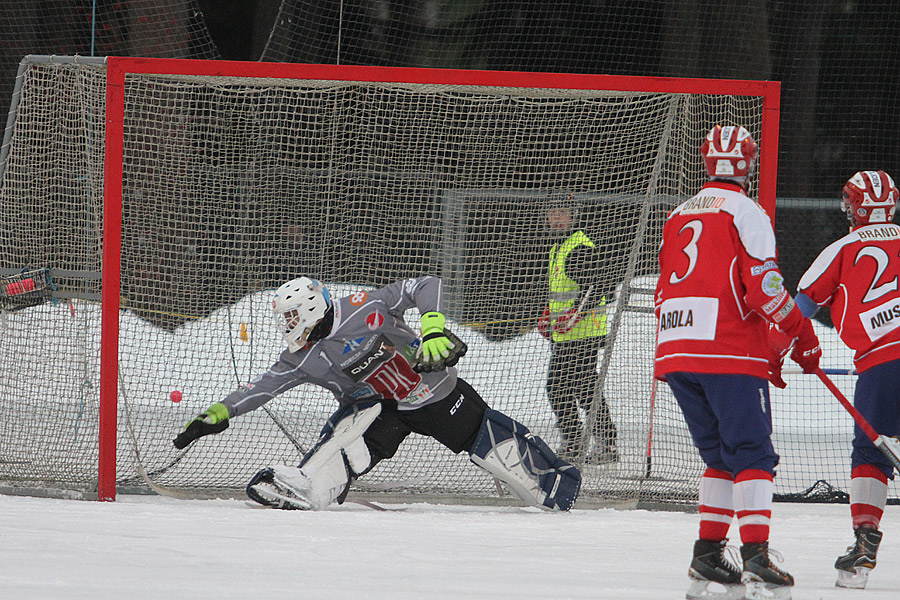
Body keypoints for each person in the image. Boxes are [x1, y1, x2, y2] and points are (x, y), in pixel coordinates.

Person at [173, 275, 581, 512]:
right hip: (379, 412)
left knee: (497, 450)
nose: (289, 324)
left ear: (313, 307)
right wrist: (219, 412)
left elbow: (425, 284)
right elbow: (261, 387)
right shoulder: (301, 358)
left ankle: (554, 485)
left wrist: (433, 329)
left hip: (432, 395)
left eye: (293, 315)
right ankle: (309, 487)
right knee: (345, 437)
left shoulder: (361, 305)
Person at [654, 125, 822, 600]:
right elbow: (765, 289)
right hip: (727, 348)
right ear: (749, 164)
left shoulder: (678, 214)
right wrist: (802, 333)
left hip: (676, 347)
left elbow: (667, 289)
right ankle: (756, 560)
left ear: (706, 162)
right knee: (752, 454)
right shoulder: (747, 211)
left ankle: (707, 553)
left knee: (718, 457)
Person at [795, 170, 900, 589]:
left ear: (851, 207)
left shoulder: (841, 248)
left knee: (871, 453)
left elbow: (801, 304)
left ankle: (864, 544)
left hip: (883, 361)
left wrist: (772, 347)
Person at [537, 193, 618, 464]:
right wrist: (548, 315)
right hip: (566, 333)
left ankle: (581, 441)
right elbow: (561, 292)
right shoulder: (558, 248)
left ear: (573, 216)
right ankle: (598, 441)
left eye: (562, 213)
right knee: (581, 386)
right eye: (552, 213)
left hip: (584, 333)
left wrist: (575, 315)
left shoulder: (579, 247)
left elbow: (599, 286)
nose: (556, 218)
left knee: (559, 386)